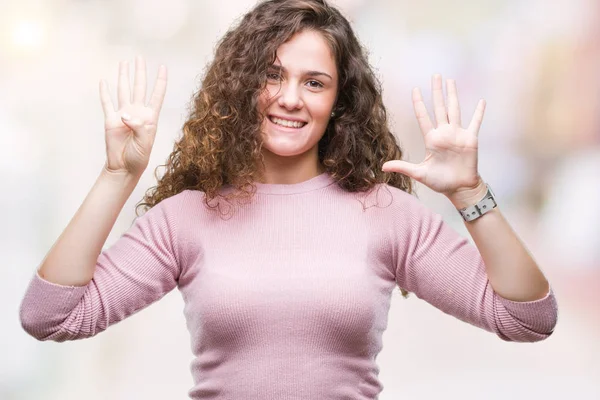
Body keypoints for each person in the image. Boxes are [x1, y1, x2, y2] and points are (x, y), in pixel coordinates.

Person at [19, 0, 558, 398]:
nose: (290, 98)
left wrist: (470, 193)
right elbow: (51, 317)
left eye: (315, 82)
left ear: (339, 101)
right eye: (272, 75)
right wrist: (117, 174)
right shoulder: (187, 217)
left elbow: (528, 319)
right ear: (241, 85)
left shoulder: (386, 214)